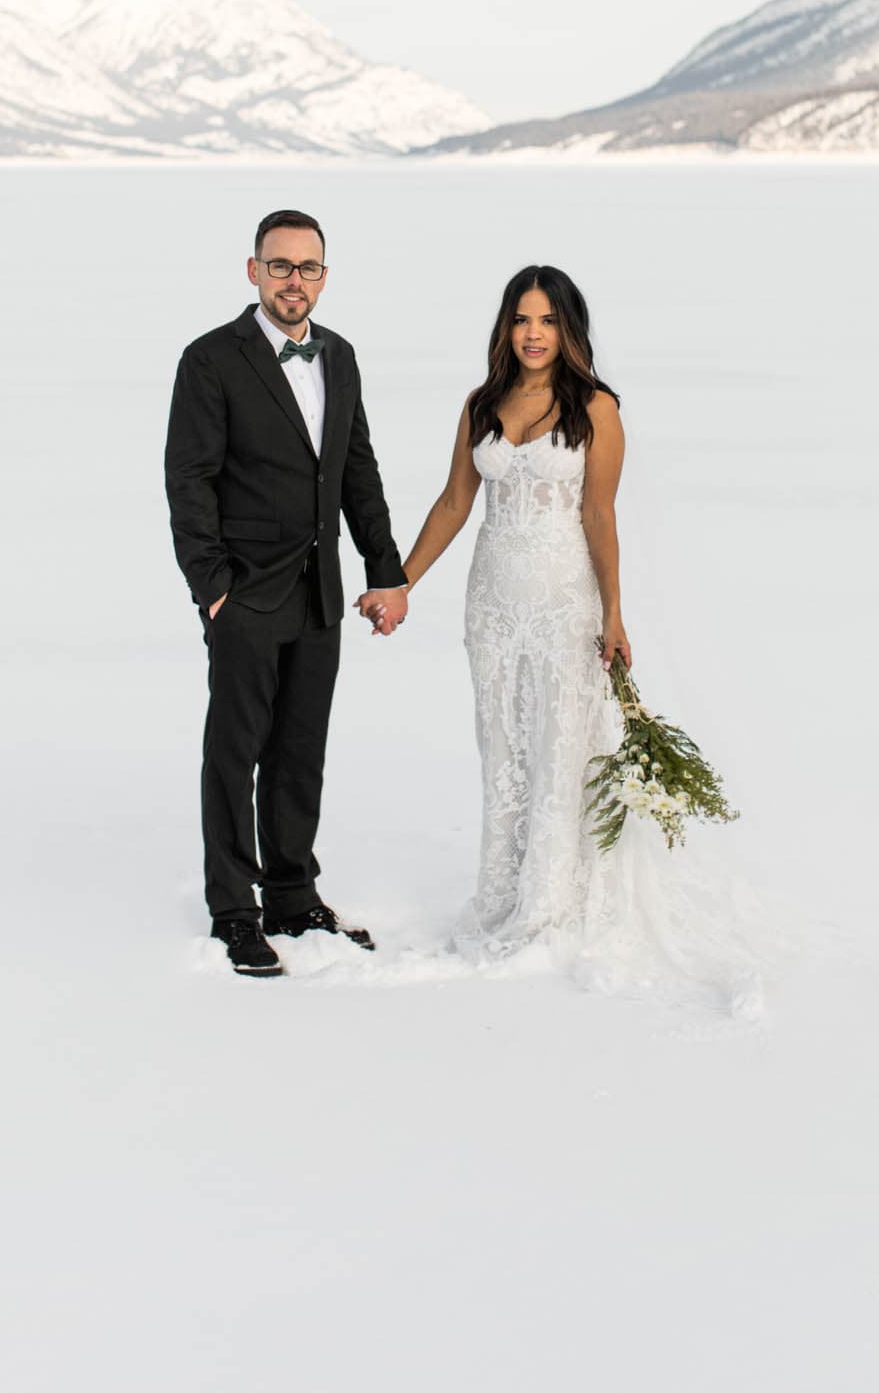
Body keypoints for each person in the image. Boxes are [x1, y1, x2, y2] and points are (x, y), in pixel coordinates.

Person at [380, 265, 765, 1009]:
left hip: (564, 601)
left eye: (548, 321)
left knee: (560, 748)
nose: (533, 334)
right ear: (505, 326)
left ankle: (553, 905)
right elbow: (456, 502)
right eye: (522, 319)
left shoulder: (595, 407)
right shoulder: (481, 404)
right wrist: (401, 582)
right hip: (492, 603)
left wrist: (613, 612)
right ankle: (503, 896)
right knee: (504, 748)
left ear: (569, 330)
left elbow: (599, 514)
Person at [164, 210, 409, 979]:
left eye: (307, 268)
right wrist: (212, 588)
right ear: (253, 271)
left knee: (301, 753)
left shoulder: (340, 355)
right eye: (279, 266)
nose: (293, 280)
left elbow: (356, 471)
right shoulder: (210, 360)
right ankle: (234, 909)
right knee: (234, 755)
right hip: (244, 593)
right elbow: (189, 481)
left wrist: (385, 568)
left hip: (319, 593)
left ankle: (294, 897)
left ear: (324, 277)